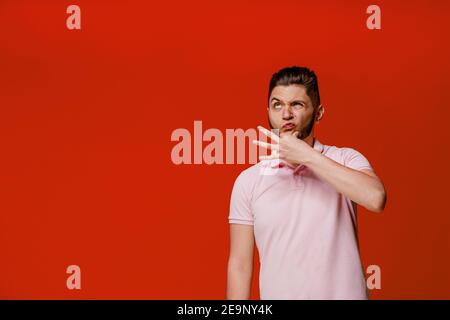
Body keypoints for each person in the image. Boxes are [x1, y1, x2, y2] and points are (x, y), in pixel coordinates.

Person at [226, 66, 387, 300]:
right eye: (277, 104)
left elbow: (376, 198)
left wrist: (308, 156)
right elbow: (239, 266)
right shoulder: (249, 181)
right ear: (268, 111)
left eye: (297, 105)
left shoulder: (346, 159)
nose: (286, 114)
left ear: (318, 112)